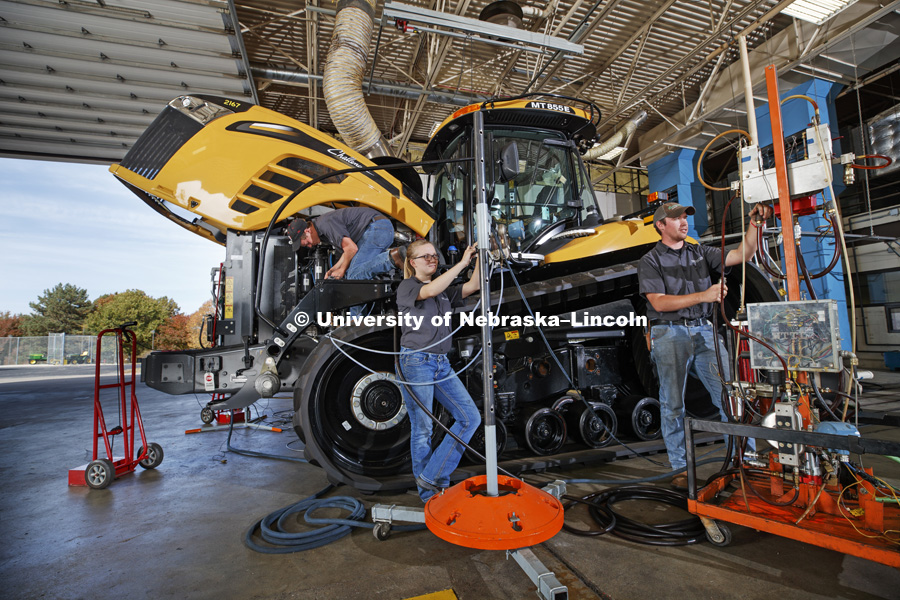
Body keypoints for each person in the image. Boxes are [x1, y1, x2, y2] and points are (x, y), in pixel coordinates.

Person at [638, 201, 772, 489]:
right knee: (673, 403)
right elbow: (659, 302)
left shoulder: (700, 252)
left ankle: (743, 460)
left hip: (704, 330)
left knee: (728, 395)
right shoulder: (650, 261)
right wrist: (705, 295)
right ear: (661, 225)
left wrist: (754, 225)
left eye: (685, 216)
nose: (683, 222)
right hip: (669, 333)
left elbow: (743, 253)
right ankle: (681, 468)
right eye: (676, 218)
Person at [396, 239, 481, 502]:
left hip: (441, 363)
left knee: (470, 418)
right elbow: (429, 291)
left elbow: (474, 286)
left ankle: (432, 476)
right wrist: (462, 264)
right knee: (422, 429)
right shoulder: (408, 287)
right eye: (426, 257)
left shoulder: (444, 291)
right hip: (416, 362)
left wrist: (479, 259)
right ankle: (429, 494)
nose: (432, 259)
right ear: (412, 262)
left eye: (434, 255)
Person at [286, 206, 404, 280]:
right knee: (352, 276)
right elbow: (347, 253)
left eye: (306, 243)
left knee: (353, 277)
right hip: (376, 229)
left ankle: (392, 259)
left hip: (377, 228)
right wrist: (333, 269)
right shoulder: (322, 231)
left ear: (307, 231)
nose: (310, 246)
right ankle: (356, 319)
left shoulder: (325, 224)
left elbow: (351, 249)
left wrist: (341, 270)